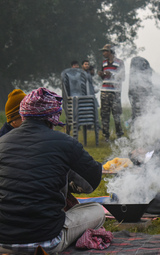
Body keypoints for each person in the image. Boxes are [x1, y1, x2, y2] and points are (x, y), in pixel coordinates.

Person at [0, 87, 105, 254]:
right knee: (97, 211)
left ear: (23, 114)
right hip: (46, 240)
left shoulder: (2, 142)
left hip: (3, 241)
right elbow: (92, 182)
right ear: (52, 117)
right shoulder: (65, 143)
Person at [98, 44, 125, 141]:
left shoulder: (120, 62)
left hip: (115, 92)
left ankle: (119, 135)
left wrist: (112, 74)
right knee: (104, 115)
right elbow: (103, 76)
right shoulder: (104, 63)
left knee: (116, 114)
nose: (103, 53)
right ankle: (106, 136)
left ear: (110, 52)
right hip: (104, 91)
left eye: (105, 51)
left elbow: (123, 77)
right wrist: (101, 74)